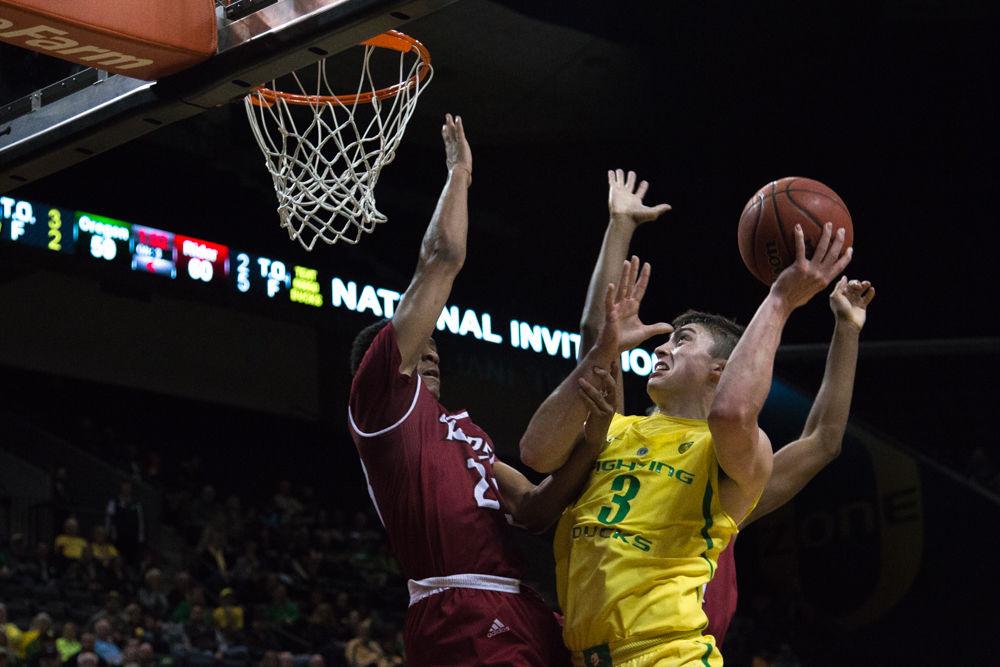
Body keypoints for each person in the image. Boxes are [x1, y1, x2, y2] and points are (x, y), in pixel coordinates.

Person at [519, 169, 854, 665]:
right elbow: (594, 337)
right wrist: (620, 225)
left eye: (682, 339)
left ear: (721, 369)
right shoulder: (612, 430)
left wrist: (820, 317)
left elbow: (809, 434)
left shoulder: (732, 458)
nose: (662, 345)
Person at [348, 115, 604, 666]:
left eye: (438, 347)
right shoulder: (383, 405)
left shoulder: (466, 431)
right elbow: (441, 261)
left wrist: (592, 442)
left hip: (522, 604)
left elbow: (534, 510)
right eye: (421, 348)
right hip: (456, 607)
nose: (432, 351)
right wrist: (458, 175)